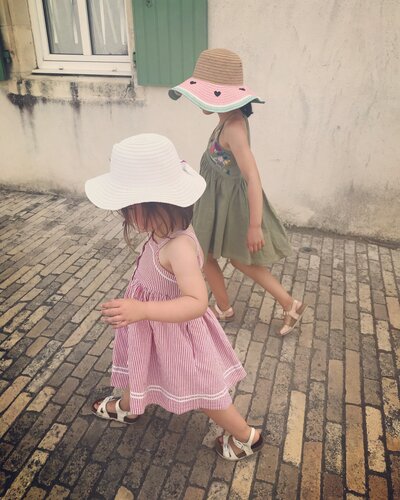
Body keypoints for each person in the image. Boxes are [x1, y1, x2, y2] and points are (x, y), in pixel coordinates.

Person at [84, 133, 263, 461]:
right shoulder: (162, 230)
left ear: (153, 205)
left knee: (205, 391)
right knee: (140, 364)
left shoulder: (178, 246)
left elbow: (196, 302)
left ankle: (245, 435)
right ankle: (129, 404)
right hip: (154, 328)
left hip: (176, 335)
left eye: (128, 209)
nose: (125, 216)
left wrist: (141, 308)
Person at [169, 48, 307, 335]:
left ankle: (283, 302)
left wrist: (255, 225)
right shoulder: (225, 120)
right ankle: (228, 307)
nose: (198, 102)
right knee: (209, 255)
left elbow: (252, 177)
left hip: (233, 207)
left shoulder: (233, 128)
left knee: (231, 259)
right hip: (217, 203)